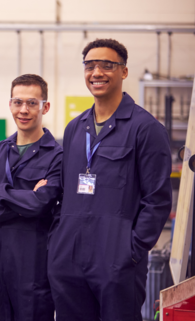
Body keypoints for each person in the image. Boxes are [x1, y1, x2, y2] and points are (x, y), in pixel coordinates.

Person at [47, 39, 172, 320]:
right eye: (90, 66)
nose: (97, 72)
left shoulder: (146, 128)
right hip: (68, 258)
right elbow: (65, 191)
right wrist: (58, 242)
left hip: (117, 261)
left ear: (124, 72)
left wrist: (132, 251)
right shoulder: (74, 129)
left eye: (107, 65)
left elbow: (157, 200)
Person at [0, 74, 61, 321]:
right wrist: (25, 200)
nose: (24, 110)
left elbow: (42, 203)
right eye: (18, 102)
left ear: (45, 107)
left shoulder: (57, 156)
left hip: (32, 264)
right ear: (10, 104)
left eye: (32, 103)